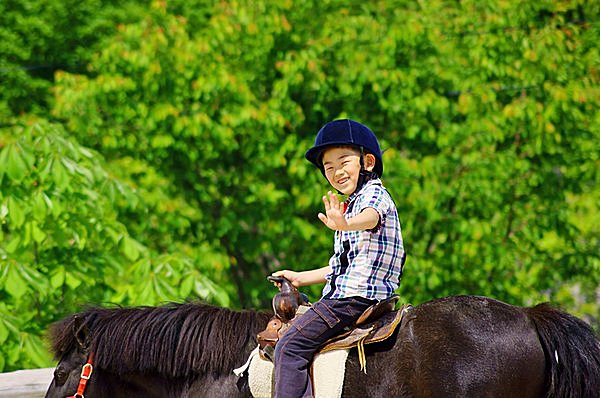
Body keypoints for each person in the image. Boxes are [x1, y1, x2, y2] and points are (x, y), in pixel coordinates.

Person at [271, 119, 406, 398]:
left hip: (351, 300)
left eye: (343, 161)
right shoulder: (353, 203)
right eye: (328, 167)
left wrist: (346, 223)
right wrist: (300, 277)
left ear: (367, 162)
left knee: (289, 347)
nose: (335, 171)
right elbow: (342, 264)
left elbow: (370, 218)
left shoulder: (374, 195)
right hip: (353, 293)